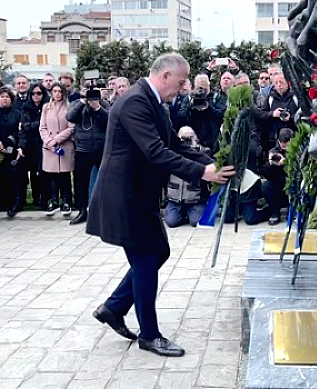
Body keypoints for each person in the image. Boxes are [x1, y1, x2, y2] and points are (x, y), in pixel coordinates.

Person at [87, 53, 233, 358]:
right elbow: (155, 152)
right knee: (146, 259)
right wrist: (204, 173)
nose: (183, 89)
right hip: (123, 195)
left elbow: (174, 144)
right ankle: (149, 335)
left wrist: (214, 163)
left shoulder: (154, 102)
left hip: (138, 194)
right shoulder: (134, 102)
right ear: (165, 76)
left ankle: (113, 308)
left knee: (158, 253)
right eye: (181, 82)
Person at [67, 86, 109, 225]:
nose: (91, 94)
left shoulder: (104, 104)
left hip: (100, 148)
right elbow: (70, 117)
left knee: (105, 181)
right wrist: (82, 102)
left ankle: (105, 212)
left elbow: (109, 121)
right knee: (81, 183)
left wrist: (97, 107)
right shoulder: (77, 104)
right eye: (87, 90)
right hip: (82, 149)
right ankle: (82, 211)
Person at [40, 81, 74, 217]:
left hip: (64, 145)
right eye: (55, 91)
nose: (57, 94)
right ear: (51, 93)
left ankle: (66, 201)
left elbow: (71, 127)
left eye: (60, 91)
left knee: (65, 175)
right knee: (52, 175)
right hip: (50, 147)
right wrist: (49, 141)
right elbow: (42, 127)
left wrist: (57, 139)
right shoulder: (46, 107)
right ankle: (53, 201)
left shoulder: (69, 107)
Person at [164, 127, 210, 227]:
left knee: (196, 222)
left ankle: (191, 213)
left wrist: (193, 148)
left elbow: (207, 164)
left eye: (190, 137)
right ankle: (182, 214)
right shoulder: (171, 154)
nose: (187, 141)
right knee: (171, 222)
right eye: (184, 138)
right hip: (176, 200)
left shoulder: (202, 153)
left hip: (195, 200)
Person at [0, 88, 22, 216]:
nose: (5, 99)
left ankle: (12, 205)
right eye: (2, 97)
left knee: (11, 179)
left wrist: (7, 142)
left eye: (7, 97)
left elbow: (19, 131)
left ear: (11, 100)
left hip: (11, 151)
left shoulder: (18, 113)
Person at [18, 84, 48, 208]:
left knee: (40, 174)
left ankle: (41, 200)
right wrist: (20, 146)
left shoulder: (47, 107)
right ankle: (21, 200)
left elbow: (42, 124)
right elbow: (22, 129)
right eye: (33, 93)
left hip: (41, 144)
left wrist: (27, 125)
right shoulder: (25, 108)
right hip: (28, 145)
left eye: (39, 93)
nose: (36, 96)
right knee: (22, 174)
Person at [262, 127, 294, 225]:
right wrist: (270, 164)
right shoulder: (273, 151)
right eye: (282, 145)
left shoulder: (298, 150)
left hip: (292, 184)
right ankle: (275, 212)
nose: (283, 147)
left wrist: (288, 160)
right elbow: (266, 174)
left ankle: (292, 209)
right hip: (278, 185)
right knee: (266, 186)